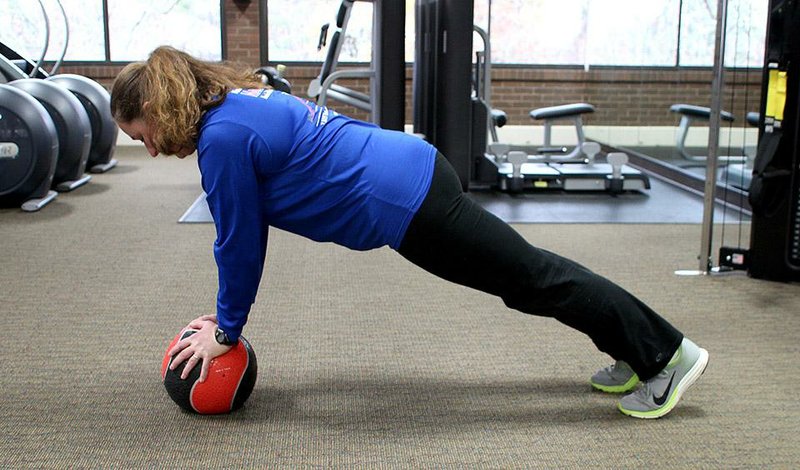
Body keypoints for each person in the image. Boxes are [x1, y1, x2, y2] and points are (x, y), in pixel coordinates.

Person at [111, 46, 708, 419]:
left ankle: (665, 356)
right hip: (409, 173)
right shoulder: (233, 101)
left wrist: (227, 329)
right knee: (528, 276)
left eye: (144, 134)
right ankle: (633, 349)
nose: (153, 149)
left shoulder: (221, 140)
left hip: (406, 201)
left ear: (161, 109)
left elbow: (238, 243)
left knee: (531, 277)